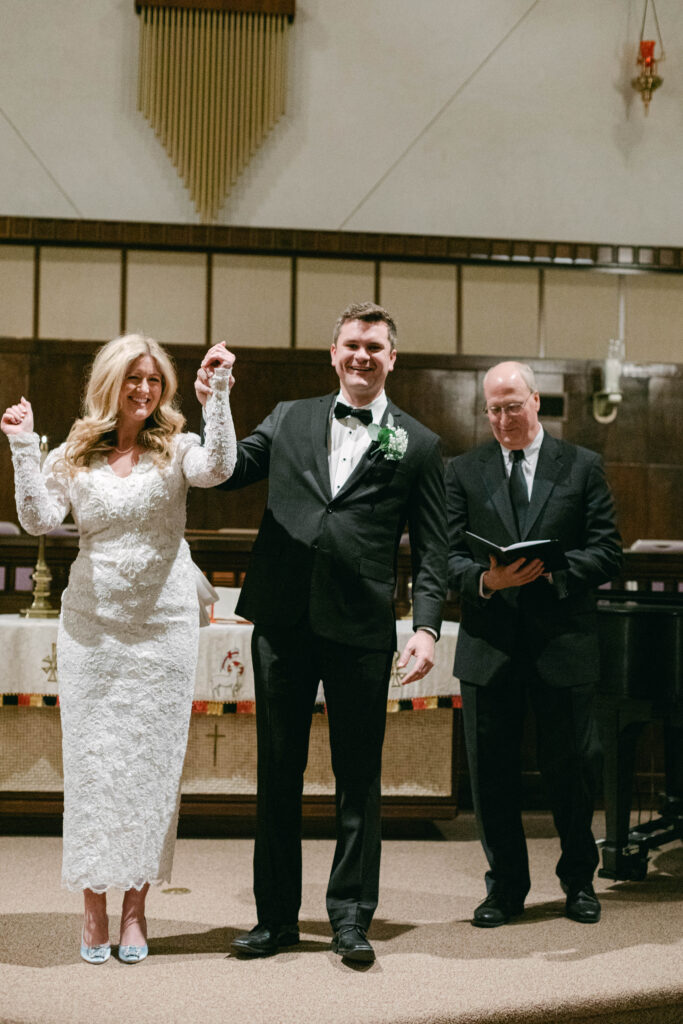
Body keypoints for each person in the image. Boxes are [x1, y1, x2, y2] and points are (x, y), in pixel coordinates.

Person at [195, 302, 448, 962]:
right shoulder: (288, 416)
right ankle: (275, 917)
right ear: (331, 353)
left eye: (374, 346)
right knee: (277, 770)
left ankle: (349, 916)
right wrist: (215, 400)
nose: (361, 356)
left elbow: (433, 547)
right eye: (351, 345)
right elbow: (225, 473)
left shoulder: (416, 443)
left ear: (392, 358)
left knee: (357, 774)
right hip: (282, 616)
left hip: (361, 623)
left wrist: (425, 626)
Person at [2, 334, 236, 964]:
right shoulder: (77, 453)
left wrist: (218, 397)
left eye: (155, 380)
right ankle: (92, 908)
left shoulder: (178, 447)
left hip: (161, 630)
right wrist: (24, 447)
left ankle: (135, 909)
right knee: (93, 768)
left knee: (151, 767)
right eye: (133, 378)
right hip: (92, 630)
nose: (144, 390)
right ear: (111, 383)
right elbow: (39, 519)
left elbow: (219, 468)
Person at [446, 360, 622, 928]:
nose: (502, 419)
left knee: (571, 769)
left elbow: (607, 550)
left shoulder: (583, 465)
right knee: (491, 776)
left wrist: (553, 572)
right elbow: (444, 557)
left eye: (512, 406)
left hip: (561, 644)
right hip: (489, 643)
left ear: (536, 401)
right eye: (493, 409)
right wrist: (485, 580)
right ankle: (505, 889)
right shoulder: (463, 470)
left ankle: (578, 882)